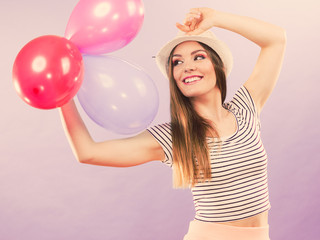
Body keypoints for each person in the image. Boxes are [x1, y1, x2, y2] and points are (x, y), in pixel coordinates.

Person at [59, 7, 286, 240]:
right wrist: (60, 94)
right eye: (177, 62)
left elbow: (276, 40)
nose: (187, 67)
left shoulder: (245, 109)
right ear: (175, 79)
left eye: (199, 57)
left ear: (218, 66)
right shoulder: (174, 137)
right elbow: (88, 152)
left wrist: (217, 19)